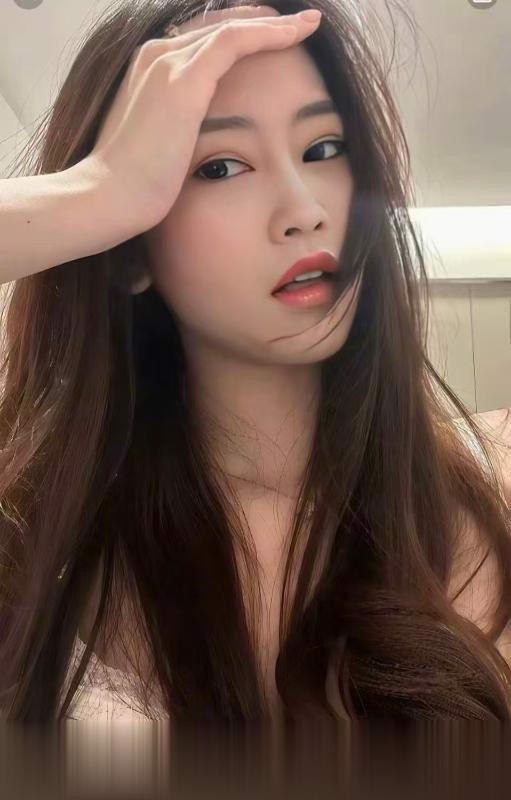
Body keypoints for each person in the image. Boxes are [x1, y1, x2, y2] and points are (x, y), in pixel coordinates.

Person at [0, 0, 511, 724]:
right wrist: (95, 192)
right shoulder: (36, 531)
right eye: (220, 166)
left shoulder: (493, 477)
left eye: (324, 149)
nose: (303, 210)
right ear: (128, 246)